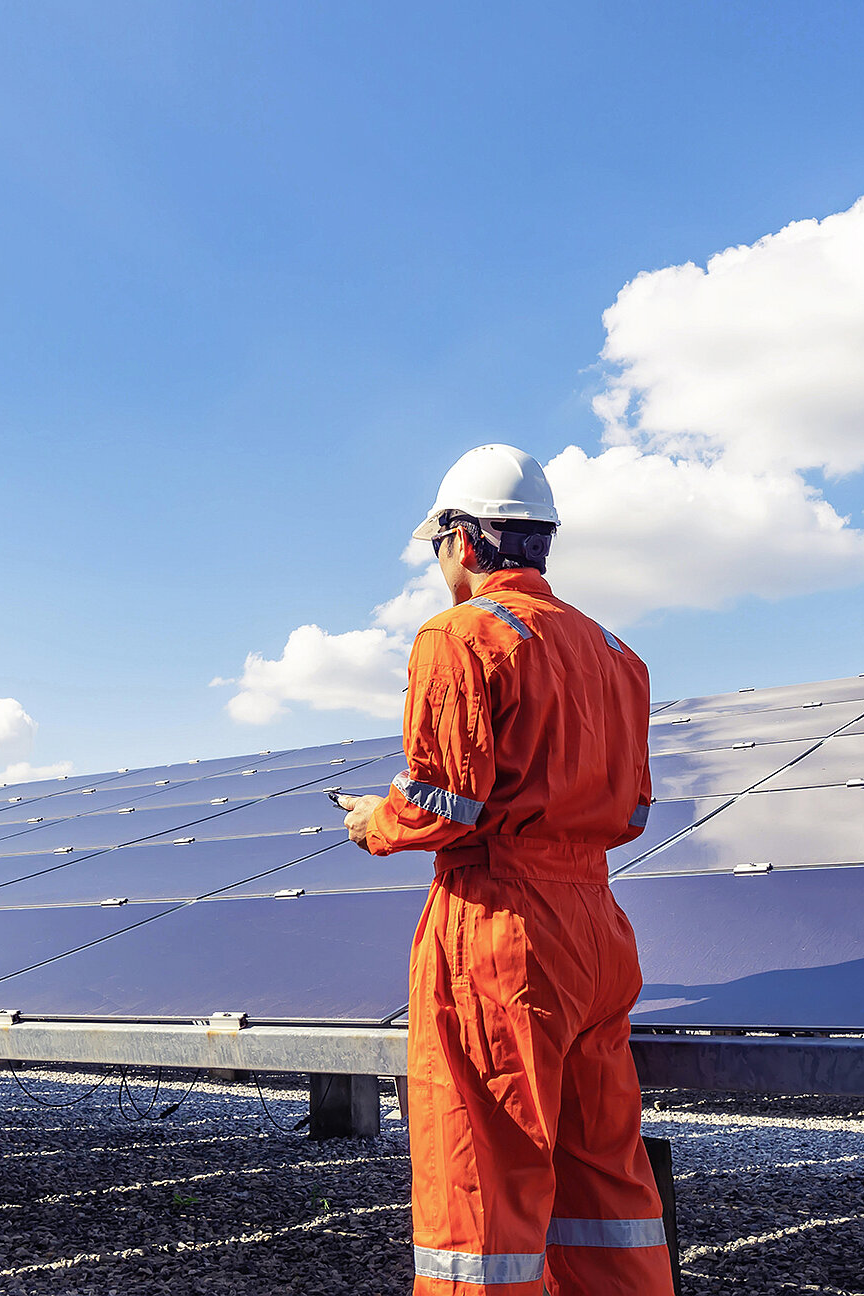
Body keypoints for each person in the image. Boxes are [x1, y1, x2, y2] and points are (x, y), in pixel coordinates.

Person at [336, 444, 672, 1296]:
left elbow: (443, 802)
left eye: (437, 546)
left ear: (462, 540)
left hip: (499, 930)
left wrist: (373, 822)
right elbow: (631, 812)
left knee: (483, 1179)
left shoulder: (461, 636)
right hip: (597, 927)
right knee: (604, 1177)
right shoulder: (615, 653)